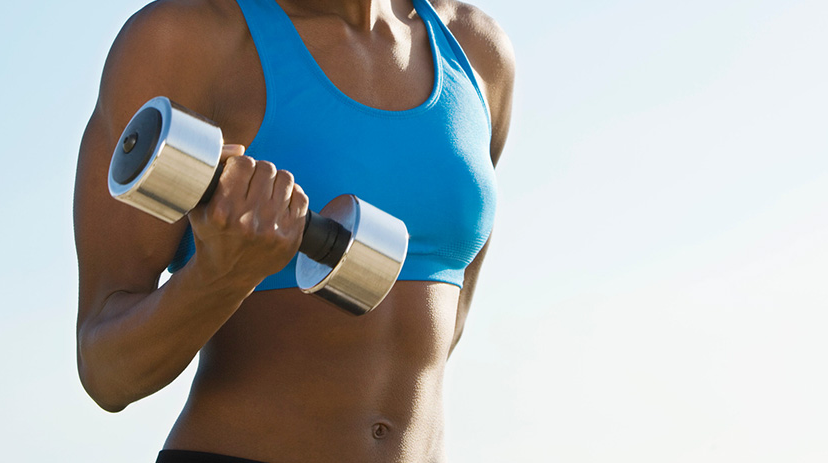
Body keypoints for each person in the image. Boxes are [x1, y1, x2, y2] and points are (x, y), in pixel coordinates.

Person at [73, 0, 513, 460]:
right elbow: (106, 372)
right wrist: (222, 276)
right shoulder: (184, 38)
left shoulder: (476, 50)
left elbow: (449, 320)